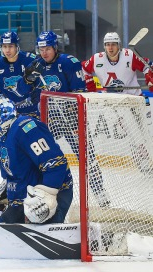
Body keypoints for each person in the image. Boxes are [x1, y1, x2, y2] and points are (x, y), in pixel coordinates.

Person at [19, 31, 109, 206]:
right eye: (41, 49)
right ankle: (39, 192)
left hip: (71, 117)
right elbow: (23, 91)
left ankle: (100, 192)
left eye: (47, 48)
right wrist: (27, 79)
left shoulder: (69, 63)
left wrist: (69, 108)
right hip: (48, 119)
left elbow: (80, 93)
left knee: (86, 155)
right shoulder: (36, 65)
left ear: (55, 47)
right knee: (39, 154)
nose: (44, 52)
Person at [0, 95, 73, 225]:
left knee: (10, 237)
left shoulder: (26, 128)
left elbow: (54, 163)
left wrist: (47, 195)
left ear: (4, 114)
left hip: (49, 195)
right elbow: (15, 174)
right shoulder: (3, 138)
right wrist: (4, 192)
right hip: (25, 199)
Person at [82, 32, 153, 95]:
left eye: (113, 44)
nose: (110, 48)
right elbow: (83, 69)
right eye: (108, 44)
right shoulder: (97, 59)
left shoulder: (129, 55)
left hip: (133, 98)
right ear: (104, 46)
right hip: (110, 100)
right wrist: (90, 86)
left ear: (119, 45)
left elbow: (146, 65)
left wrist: (150, 77)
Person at [0, 31, 38, 116]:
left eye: (11, 46)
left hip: (32, 111)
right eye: (4, 46)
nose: (7, 50)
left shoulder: (30, 60)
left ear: (17, 46)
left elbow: (40, 85)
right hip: (10, 114)